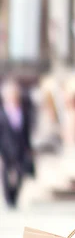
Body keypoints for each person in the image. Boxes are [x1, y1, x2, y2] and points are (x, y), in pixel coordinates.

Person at [0, 76, 35, 208]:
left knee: (21, 173)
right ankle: (8, 199)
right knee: (5, 173)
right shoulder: (2, 113)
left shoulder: (23, 111)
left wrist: (29, 148)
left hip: (20, 148)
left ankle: (14, 197)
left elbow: (26, 132)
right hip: (5, 148)